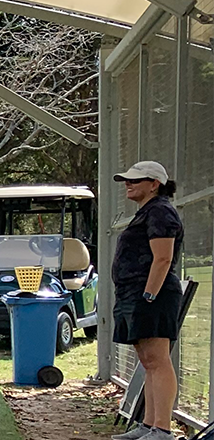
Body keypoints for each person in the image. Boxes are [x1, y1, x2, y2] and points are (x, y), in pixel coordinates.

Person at [110, 161, 185, 440]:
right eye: (127, 180)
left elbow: (163, 258)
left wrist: (150, 294)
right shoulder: (147, 212)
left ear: (155, 184)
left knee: (158, 359)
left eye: (137, 180)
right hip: (135, 294)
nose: (129, 184)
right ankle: (148, 425)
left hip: (153, 294)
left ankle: (162, 429)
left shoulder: (161, 212)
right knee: (147, 360)